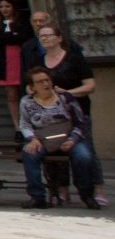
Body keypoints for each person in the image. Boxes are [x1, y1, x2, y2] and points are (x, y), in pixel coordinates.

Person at [29, 12, 102, 209]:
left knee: (85, 153)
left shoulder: (74, 59)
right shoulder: (38, 61)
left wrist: (66, 94)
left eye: (48, 35)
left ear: (59, 38)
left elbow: (90, 86)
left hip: (77, 113)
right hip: (50, 119)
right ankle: (60, 192)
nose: (44, 39)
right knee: (54, 155)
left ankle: (93, 192)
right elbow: (30, 87)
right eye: (41, 36)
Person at [17, 67, 87, 208]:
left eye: (47, 80)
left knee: (84, 156)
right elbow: (24, 124)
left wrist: (72, 140)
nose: (45, 84)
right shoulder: (26, 102)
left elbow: (80, 123)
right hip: (43, 140)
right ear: (32, 87)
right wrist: (32, 139)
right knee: (29, 153)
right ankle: (37, 197)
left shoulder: (65, 98)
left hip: (68, 137)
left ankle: (87, 195)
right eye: (40, 82)